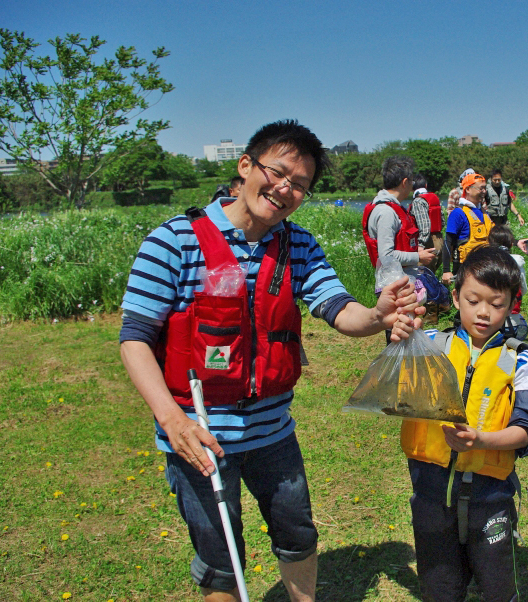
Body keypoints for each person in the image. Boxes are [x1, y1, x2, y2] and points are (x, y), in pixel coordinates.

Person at [119, 120, 423, 602]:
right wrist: (172, 420)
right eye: (277, 174)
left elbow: (338, 309)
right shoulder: (173, 240)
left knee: (298, 535)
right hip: (197, 436)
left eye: (299, 185)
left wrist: (378, 315)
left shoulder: (297, 245)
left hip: (272, 433)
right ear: (246, 167)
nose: (285, 190)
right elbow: (134, 339)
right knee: (222, 562)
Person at [400, 245, 528, 602]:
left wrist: (481, 440)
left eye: (497, 304)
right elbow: (395, 389)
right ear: (455, 297)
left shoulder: (524, 362)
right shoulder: (431, 345)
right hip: (431, 497)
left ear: (512, 305)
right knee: (440, 588)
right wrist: (400, 339)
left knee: (498, 588)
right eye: (473, 300)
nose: (484, 312)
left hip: (490, 499)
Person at [362, 156, 437, 275]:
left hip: (402, 280)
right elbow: (386, 256)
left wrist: (415, 250)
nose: (412, 186)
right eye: (411, 182)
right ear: (404, 182)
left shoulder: (392, 207)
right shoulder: (386, 212)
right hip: (396, 284)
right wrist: (417, 256)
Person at [442, 172, 494, 285]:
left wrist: (516, 242)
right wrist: (446, 270)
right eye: (481, 188)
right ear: (468, 189)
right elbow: (448, 242)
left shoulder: (484, 212)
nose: (484, 192)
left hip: (485, 266)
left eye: (485, 188)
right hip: (465, 268)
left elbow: (495, 235)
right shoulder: (458, 213)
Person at [488, 224, 528, 339]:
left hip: (490, 323)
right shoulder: (518, 263)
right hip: (512, 323)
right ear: (511, 244)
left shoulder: (486, 263)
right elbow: (523, 290)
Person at [409, 173, 444, 271]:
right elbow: (442, 221)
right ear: (425, 185)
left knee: (421, 276)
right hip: (439, 240)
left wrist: (420, 245)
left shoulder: (418, 201)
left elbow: (424, 227)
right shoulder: (434, 198)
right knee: (431, 274)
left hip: (428, 243)